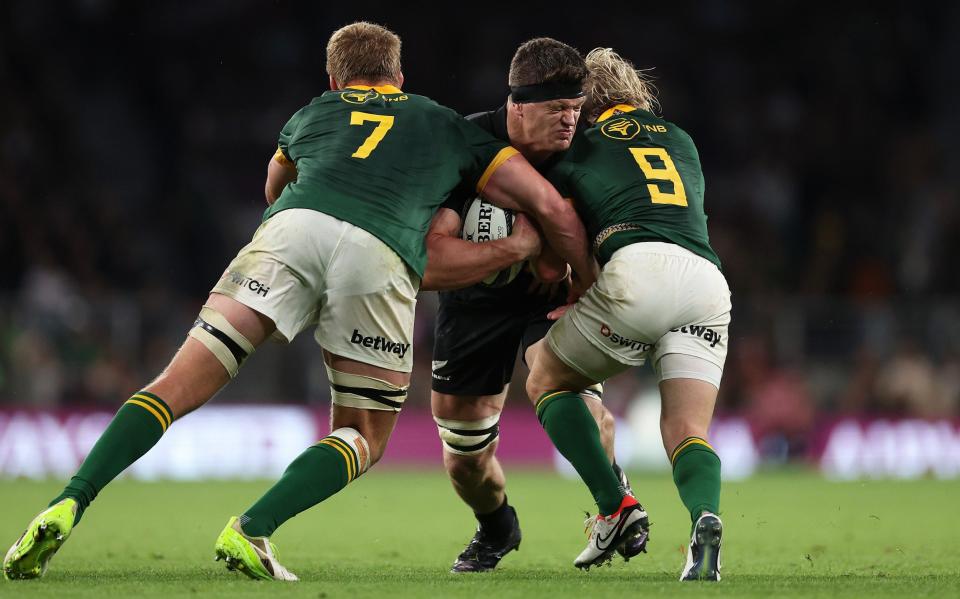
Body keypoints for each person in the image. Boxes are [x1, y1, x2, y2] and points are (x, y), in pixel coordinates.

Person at [1, 22, 595, 582]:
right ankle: (252, 529)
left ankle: (67, 502)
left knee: (171, 386)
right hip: (379, 253)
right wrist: (563, 271)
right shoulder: (444, 123)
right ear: (400, 78)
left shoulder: (313, 113)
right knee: (363, 435)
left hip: (292, 231)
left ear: (336, 80)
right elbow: (551, 207)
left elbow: (273, 188)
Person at [421, 38, 649, 573]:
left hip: (555, 299)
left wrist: (585, 280)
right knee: (465, 462)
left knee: (578, 403)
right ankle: (497, 527)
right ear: (516, 105)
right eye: (556, 110)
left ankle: (615, 502)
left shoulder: (590, 148)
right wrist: (516, 248)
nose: (570, 120)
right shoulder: (467, 141)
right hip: (474, 302)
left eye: (575, 108)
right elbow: (430, 262)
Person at [524, 48, 732, 581]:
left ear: (583, 104)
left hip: (638, 271)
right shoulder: (680, 139)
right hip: (706, 281)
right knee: (687, 429)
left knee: (545, 376)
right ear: (636, 92)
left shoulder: (579, 146)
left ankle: (614, 505)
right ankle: (704, 519)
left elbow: (558, 244)